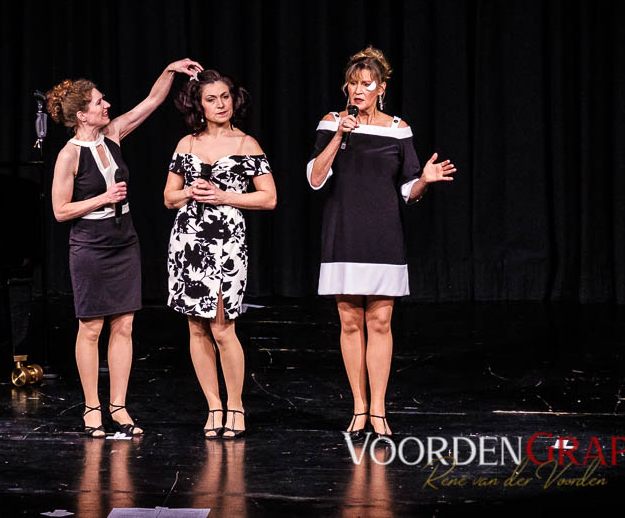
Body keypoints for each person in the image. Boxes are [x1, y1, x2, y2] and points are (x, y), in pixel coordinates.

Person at [49, 58, 203, 438]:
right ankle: (92, 407)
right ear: (82, 115)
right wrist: (102, 198)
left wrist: (170, 71)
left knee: (124, 325)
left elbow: (150, 102)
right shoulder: (69, 154)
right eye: (99, 103)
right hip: (90, 244)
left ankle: (118, 406)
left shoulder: (113, 134)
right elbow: (60, 210)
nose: (107, 106)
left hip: (124, 241)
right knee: (91, 328)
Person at [306, 47, 455, 439]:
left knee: (381, 321)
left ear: (381, 88)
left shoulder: (399, 130)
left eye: (366, 84)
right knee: (350, 321)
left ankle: (379, 410)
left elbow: (408, 190)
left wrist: (425, 180)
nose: (358, 91)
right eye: (353, 84)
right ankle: (358, 408)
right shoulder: (331, 122)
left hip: (383, 234)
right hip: (343, 233)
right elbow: (315, 179)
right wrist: (339, 135)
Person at [164, 70, 275, 438]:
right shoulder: (186, 144)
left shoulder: (246, 143)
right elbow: (168, 197)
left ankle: (236, 406)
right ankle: (214, 406)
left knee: (223, 328)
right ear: (199, 105)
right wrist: (189, 192)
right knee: (196, 327)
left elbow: (269, 198)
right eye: (211, 99)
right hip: (188, 242)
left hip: (227, 241)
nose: (220, 104)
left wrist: (225, 195)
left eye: (225, 96)